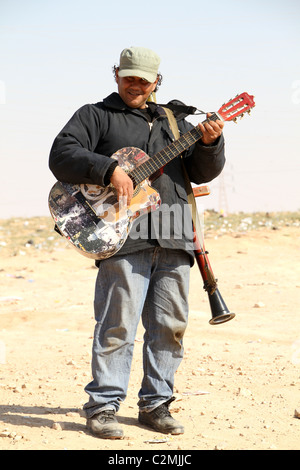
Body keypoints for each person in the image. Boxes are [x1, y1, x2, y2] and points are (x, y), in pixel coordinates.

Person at [49, 46, 225, 439]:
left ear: (156, 82)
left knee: (170, 324)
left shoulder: (177, 121)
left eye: (143, 80)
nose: (135, 85)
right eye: (128, 77)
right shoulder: (95, 115)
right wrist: (108, 168)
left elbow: (202, 171)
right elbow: (62, 155)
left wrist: (212, 144)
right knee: (117, 323)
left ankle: (156, 404)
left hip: (175, 230)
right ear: (116, 74)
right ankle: (104, 406)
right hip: (122, 236)